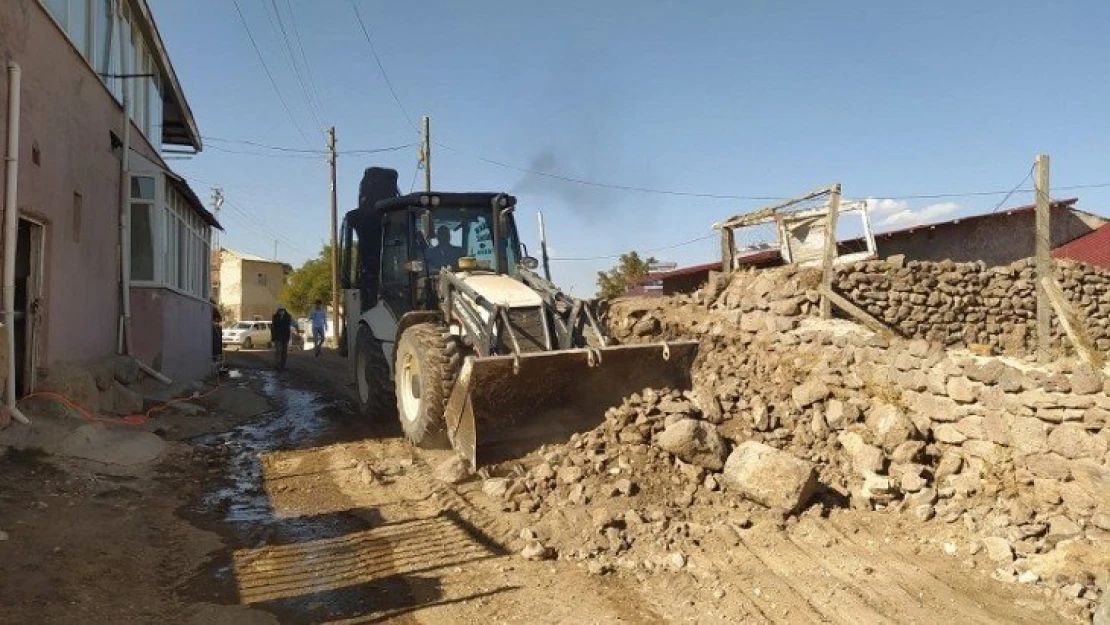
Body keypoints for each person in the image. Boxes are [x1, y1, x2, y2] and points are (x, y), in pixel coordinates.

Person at [271, 305, 294, 371]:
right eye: (280, 310)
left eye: (282, 310)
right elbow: (273, 328)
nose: (281, 311)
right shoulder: (275, 317)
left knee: (284, 352)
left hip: (285, 336)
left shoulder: (288, 317)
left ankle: (282, 365)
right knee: (278, 351)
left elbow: (292, 324)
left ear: (285, 310)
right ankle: (277, 365)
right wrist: (273, 337)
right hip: (277, 336)